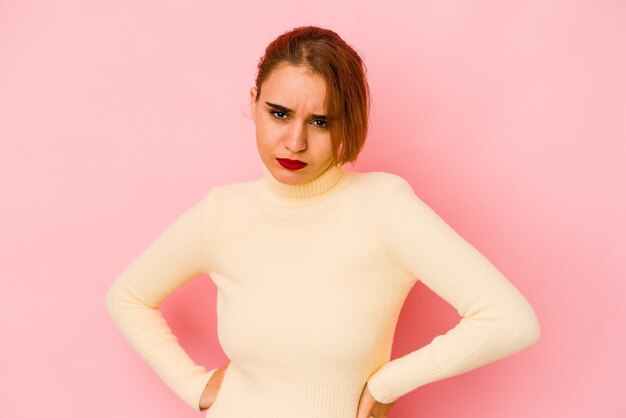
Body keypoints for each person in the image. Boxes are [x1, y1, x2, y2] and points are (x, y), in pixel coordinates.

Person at [105, 25, 541, 418]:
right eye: (279, 113)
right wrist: (192, 386)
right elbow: (127, 296)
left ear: (347, 125)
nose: (295, 142)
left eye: (320, 122)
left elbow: (508, 320)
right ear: (253, 102)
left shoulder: (383, 206)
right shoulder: (223, 212)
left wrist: (389, 383)